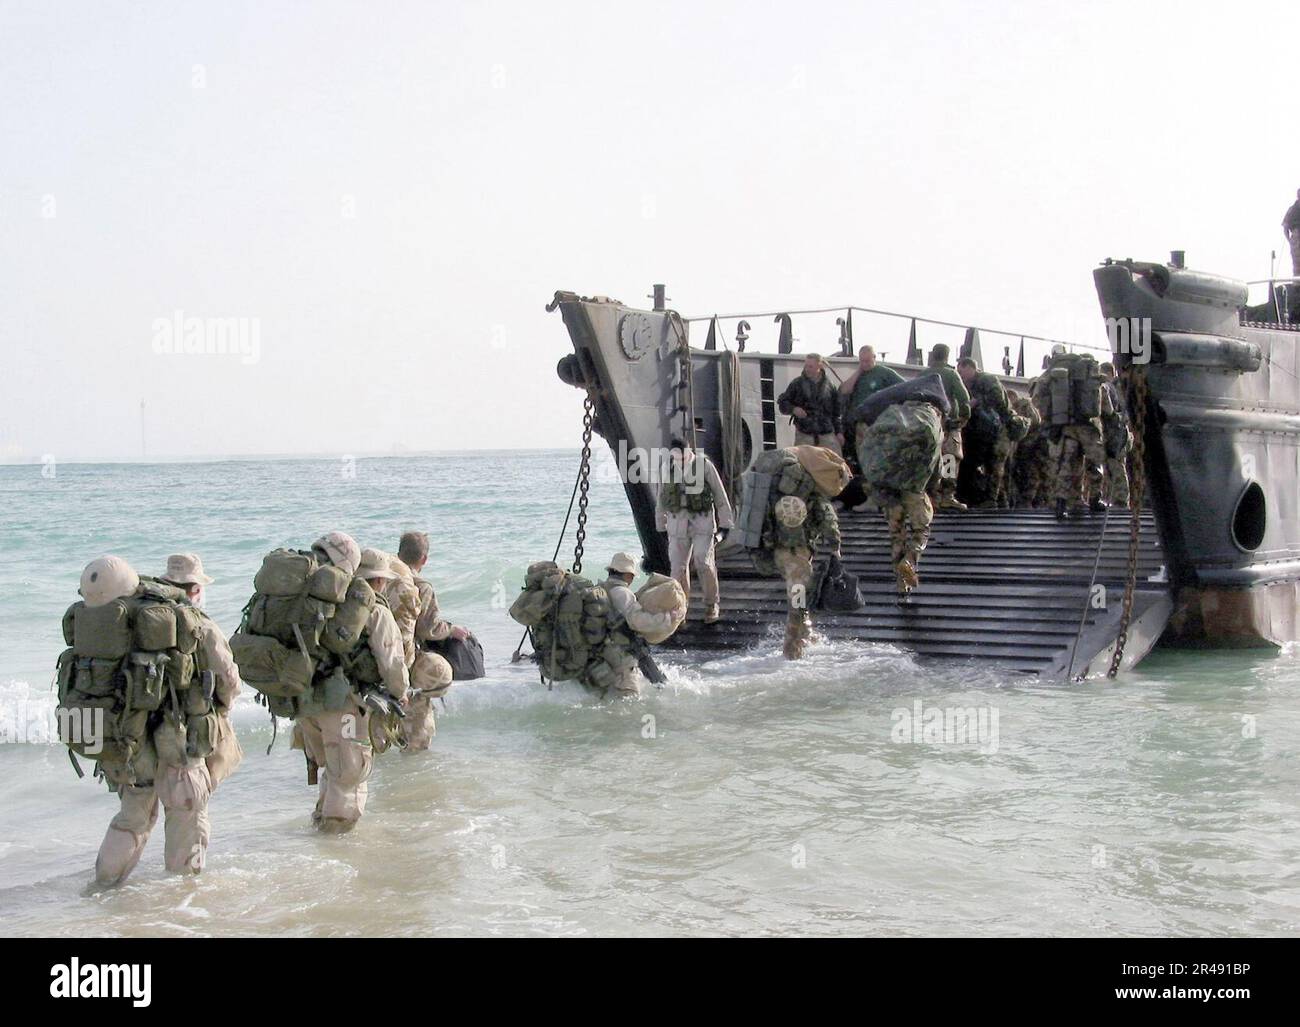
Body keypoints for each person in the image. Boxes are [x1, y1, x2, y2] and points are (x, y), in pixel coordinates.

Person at [70, 554, 243, 887]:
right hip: (178, 740)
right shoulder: (194, 620)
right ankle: (180, 899)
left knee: (133, 817)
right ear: (194, 589)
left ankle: (102, 888)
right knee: (186, 815)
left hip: (128, 738)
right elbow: (228, 679)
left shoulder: (121, 615)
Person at [289, 531, 409, 833]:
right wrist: (401, 694)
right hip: (344, 707)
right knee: (349, 780)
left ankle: (317, 833)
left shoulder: (319, 602)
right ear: (379, 581)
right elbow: (393, 663)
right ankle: (334, 855)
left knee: (333, 770)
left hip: (305, 702)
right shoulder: (374, 610)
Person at [749, 450, 844, 659]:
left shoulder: (769, 488)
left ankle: (807, 632)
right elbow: (827, 517)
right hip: (798, 554)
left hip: (777, 550)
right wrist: (835, 544)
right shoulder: (808, 488)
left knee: (798, 594)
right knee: (798, 597)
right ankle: (792, 648)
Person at [858, 398, 944, 598]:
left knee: (897, 533)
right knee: (921, 529)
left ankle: (901, 584)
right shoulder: (931, 424)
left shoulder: (895, 414)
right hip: (914, 486)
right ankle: (910, 560)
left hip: (887, 484)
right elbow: (937, 465)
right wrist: (934, 488)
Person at [655, 438, 734, 624]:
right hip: (677, 525)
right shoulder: (666, 468)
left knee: (703, 563)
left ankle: (711, 604)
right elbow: (660, 499)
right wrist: (660, 526)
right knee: (677, 569)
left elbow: (719, 495)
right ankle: (680, 608)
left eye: (684, 456)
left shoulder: (704, 466)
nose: (681, 460)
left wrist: (725, 525)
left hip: (702, 523)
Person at [393, 531, 457, 750]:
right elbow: (428, 628)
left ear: (398, 553)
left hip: (375, 659)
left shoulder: (380, 577)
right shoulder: (421, 586)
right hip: (405, 662)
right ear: (424, 559)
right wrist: (452, 630)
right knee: (417, 735)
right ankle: (413, 774)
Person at [599, 553, 680, 697]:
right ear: (628, 575)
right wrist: (667, 618)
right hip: (621, 655)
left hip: (602, 651)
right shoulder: (623, 593)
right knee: (630, 699)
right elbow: (639, 621)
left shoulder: (600, 589)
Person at [957, 357, 1015, 508]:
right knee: (988, 463)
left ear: (971, 367)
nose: (961, 375)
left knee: (995, 463)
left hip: (999, 427)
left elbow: (998, 400)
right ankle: (999, 500)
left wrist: (977, 401)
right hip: (983, 430)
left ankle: (992, 500)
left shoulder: (988, 380)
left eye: (962, 371)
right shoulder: (968, 384)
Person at [925, 344, 972, 511]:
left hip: (928, 424)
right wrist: (965, 417)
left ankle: (932, 497)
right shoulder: (951, 374)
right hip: (948, 424)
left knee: (931, 460)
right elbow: (963, 397)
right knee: (950, 458)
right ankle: (947, 496)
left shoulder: (923, 374)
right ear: (947, 356)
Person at [777, 353, 843, 454]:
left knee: (835, 465)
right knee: (803, 465)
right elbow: (782, 402)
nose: (807, 369)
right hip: (804, 434)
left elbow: (836, 412)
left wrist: (839, 432)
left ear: (819, 366)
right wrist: (793, 409)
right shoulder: (797, 384)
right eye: (806, 366)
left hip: (826, 434)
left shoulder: (830, 386)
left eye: (810, 366)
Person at [1098, 363, 1131, 509]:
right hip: (1114, 432)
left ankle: (1121, 499)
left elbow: (1113, 412)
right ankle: (1116, 499)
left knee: (1116, 466)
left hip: (1116, 433)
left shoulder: (1113, 388)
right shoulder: (1116, 388)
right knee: (1111, 466)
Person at [1283, 188, 1300, 276]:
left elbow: (1285, 227)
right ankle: (1297, 285)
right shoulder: (1292, 209)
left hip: (1295, 236)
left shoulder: (1292, 209)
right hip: (1296, 236)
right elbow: (1285, 226)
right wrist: (1290, 240)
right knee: (1297, 264)